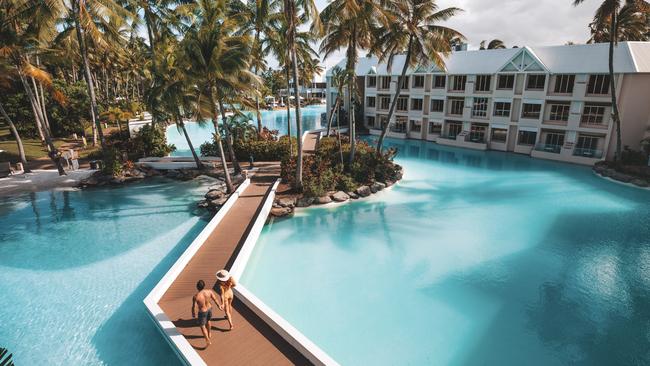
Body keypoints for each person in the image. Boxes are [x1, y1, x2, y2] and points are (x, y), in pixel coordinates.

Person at [192, 279, 221, 346]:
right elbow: (215, 299)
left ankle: (207, 340)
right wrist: (219, 305)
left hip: (202, 312)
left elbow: (194, 307)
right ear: (204, 286)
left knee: (202, 326)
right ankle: (209, 333)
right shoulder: (209, 292)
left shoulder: (196, 296)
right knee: (208, 321)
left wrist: (194, 313)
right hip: (209, 308)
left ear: (197, 287)